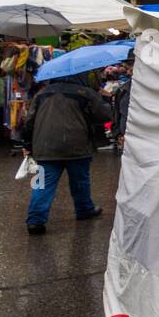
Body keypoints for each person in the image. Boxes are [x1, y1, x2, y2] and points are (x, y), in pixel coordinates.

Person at [22, 75, 110, 235]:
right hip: (77, 146)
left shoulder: (42, 93)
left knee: (42, 184)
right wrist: (104, 99)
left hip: (45, 147)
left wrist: (27, 144)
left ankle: (35, 220)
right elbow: (104, 116)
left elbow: (29, 121)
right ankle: (84, 209)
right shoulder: (85, 92)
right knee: (80, 181)